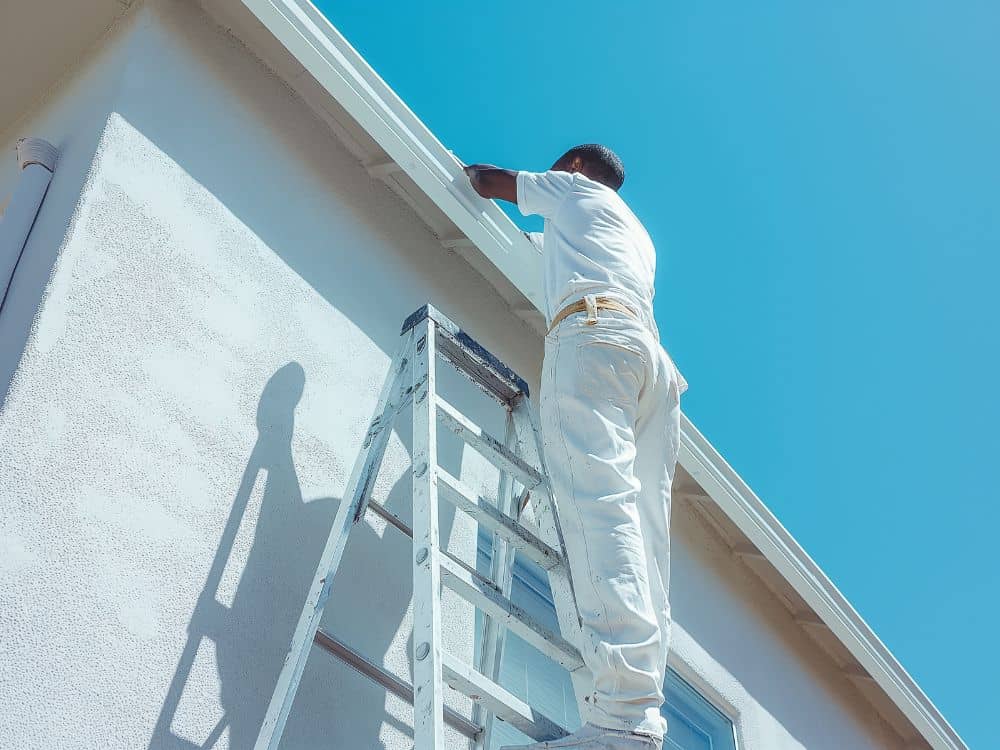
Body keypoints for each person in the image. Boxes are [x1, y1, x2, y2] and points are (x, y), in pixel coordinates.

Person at [464, 145, 686, 750]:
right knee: (643, 535)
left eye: (559, 165)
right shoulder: (636, 236)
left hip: (595, 337)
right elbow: (550, 252)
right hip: (652, 368)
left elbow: (487, 182)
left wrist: (474, 171)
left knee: (598, 507)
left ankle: (623, 718)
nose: (553, 173)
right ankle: (641, 707)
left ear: (579, 168)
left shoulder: (576, 190)